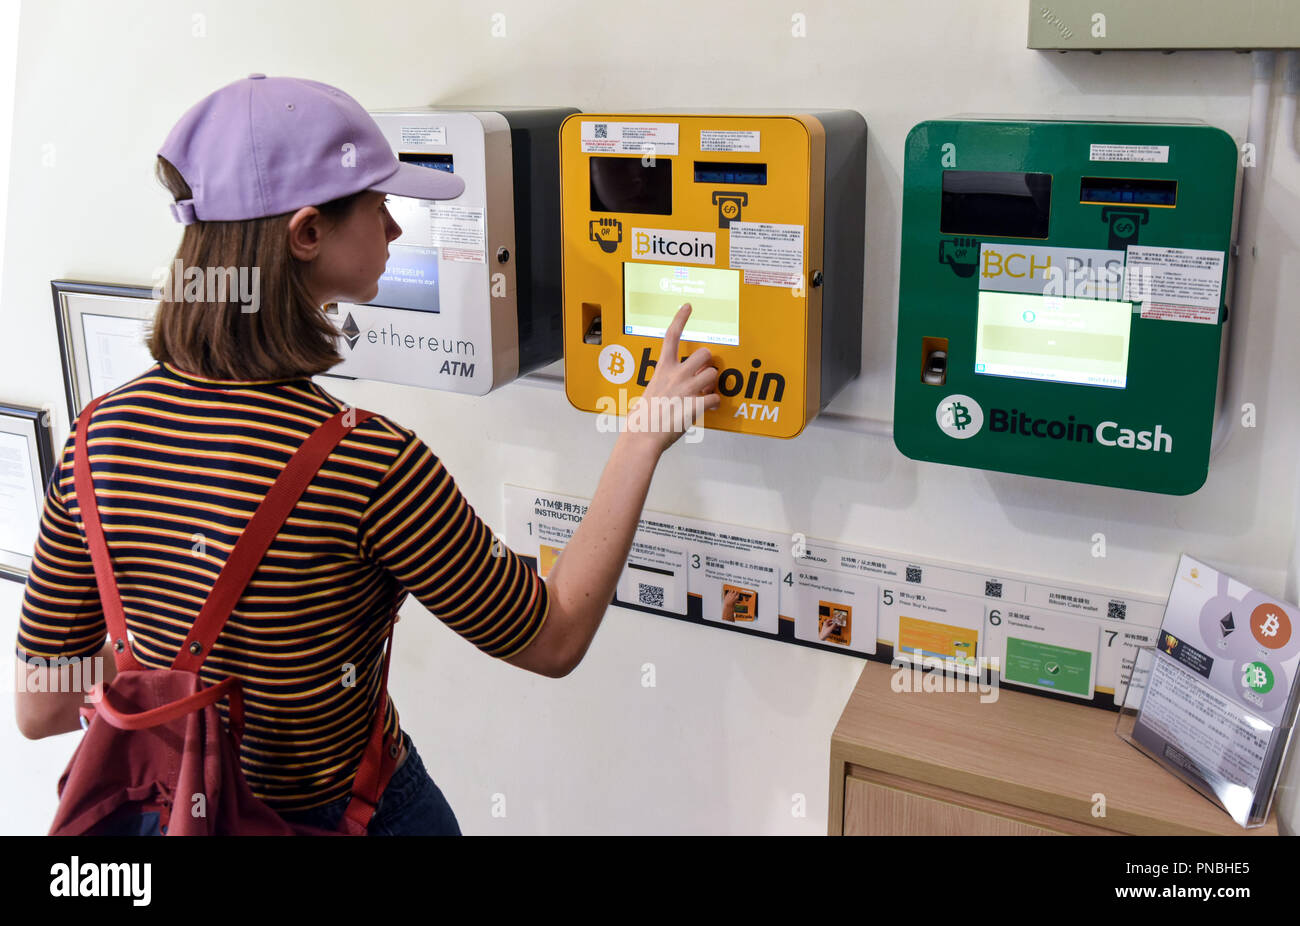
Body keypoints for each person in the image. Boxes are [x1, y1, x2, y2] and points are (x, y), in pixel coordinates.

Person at [13, 74, 720, 835]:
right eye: (379, 206)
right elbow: (553, 637)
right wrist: (645, 434)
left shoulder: (97, 435)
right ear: (307, 232)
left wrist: (175, 681)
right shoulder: (365, 463)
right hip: (343, 814)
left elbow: (43, 704)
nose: (394, 230)